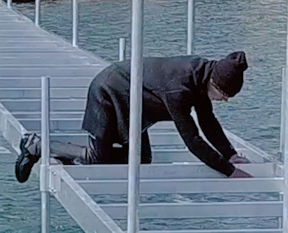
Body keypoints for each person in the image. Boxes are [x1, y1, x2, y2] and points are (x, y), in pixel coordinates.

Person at [15, 51, 250, 183]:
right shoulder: (180, 88)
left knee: (140, 161)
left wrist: (230, 155)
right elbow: (192, 139)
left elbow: (208, 122)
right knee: (96, 159)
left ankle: (67, 154)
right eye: (225, 94)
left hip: (136, 103)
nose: (226, 100)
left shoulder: (201, 76)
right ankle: (36, 145)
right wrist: (229, 171)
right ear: (213, 83)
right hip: (110, 92)